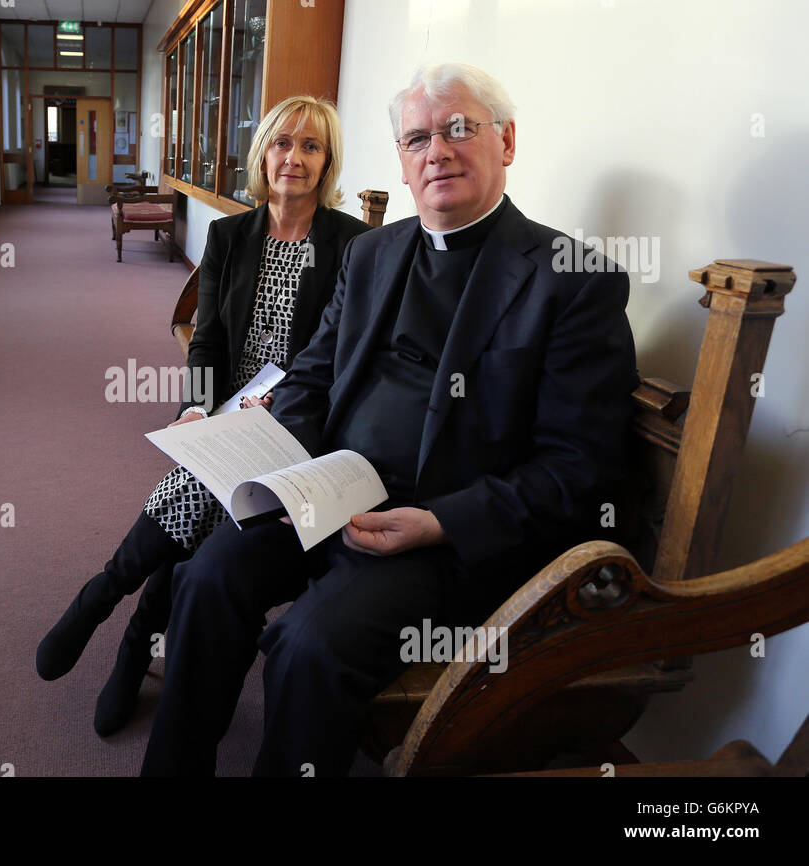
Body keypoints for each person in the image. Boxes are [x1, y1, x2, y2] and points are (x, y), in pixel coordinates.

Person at [140, 63, 640, 776]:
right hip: (330, 494)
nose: (437, 150)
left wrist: (440, 523)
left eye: (459, 129)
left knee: (308, 646)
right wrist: (265, 458)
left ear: (507, 141)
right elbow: (311, 377)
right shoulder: (373, 253)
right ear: (402, 166)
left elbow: (580, 469)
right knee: (207, 576)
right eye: (416, 139)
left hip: (447, 534)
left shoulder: (571, 280)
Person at [36, 97, 374, 737]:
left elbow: (344, 352)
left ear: (327, 162)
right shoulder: (229, 237)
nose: (293, 158)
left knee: (201, 502)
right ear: (262, 153)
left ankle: (117, 614)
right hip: (228, 414)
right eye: (281, 143)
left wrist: (294, 399)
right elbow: (209, 342)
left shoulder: (353, 247)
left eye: (310, 146)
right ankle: (125, 622)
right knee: (205, 491)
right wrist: (196, 407)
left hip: (297, 427)